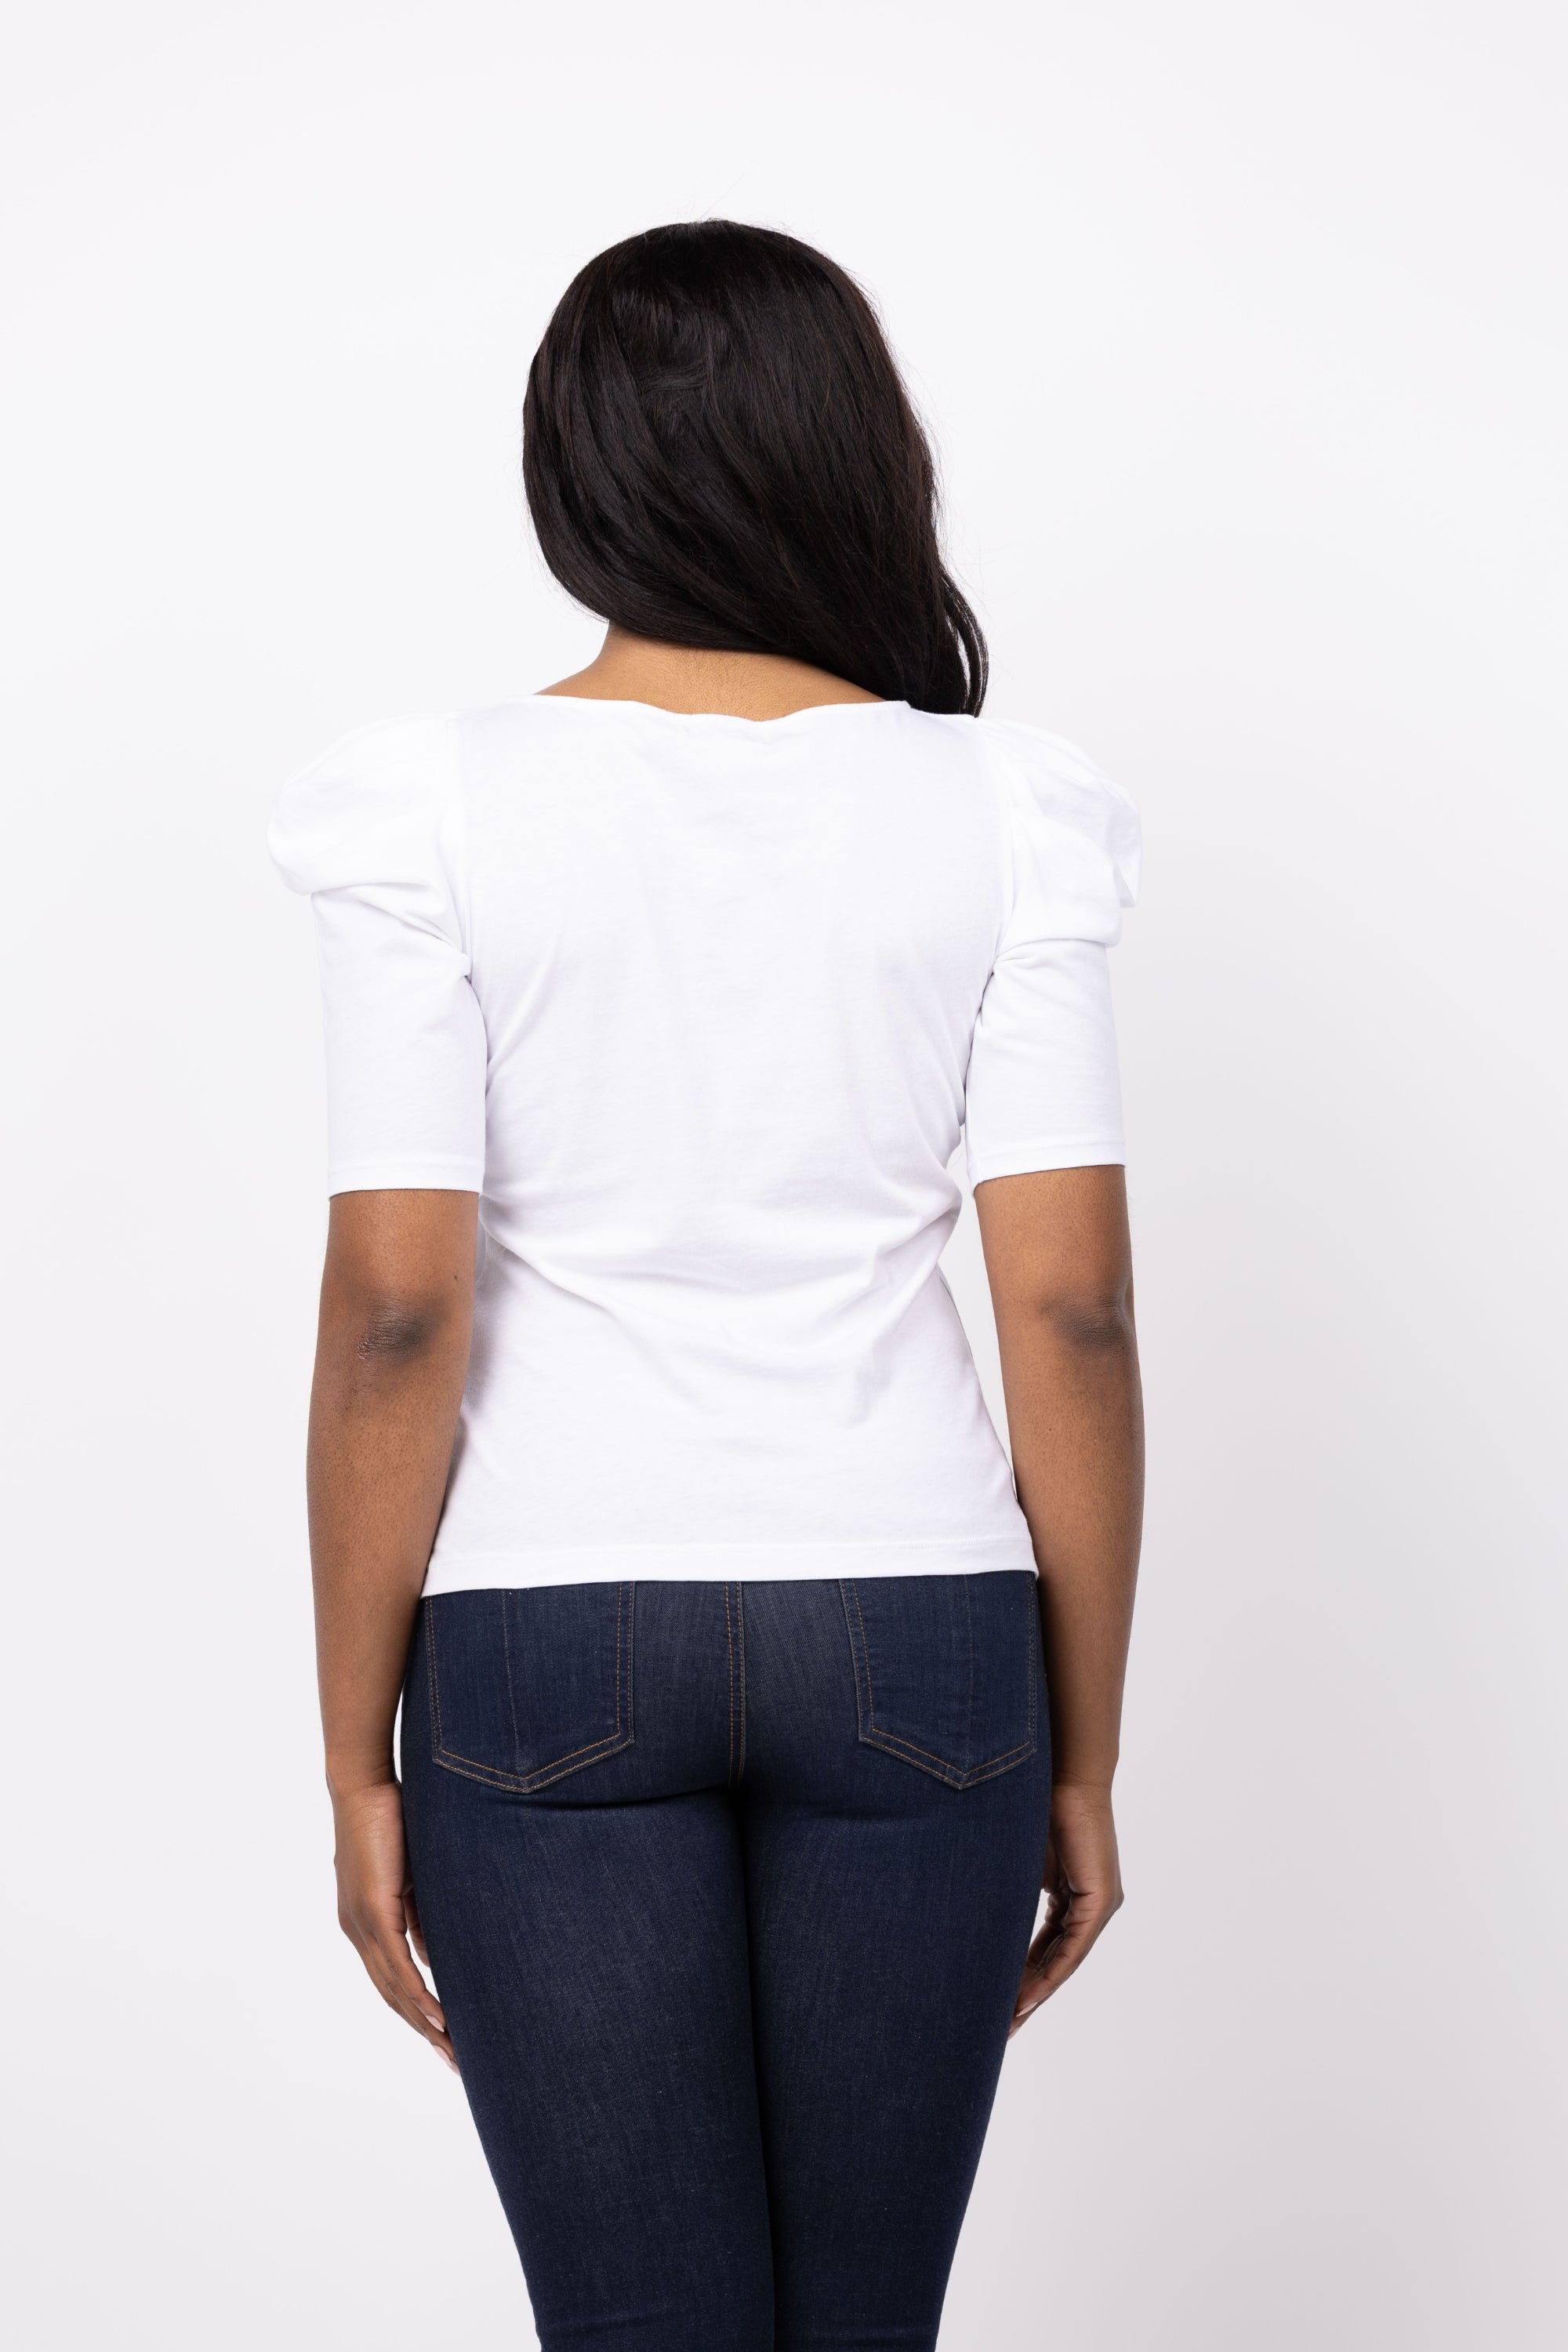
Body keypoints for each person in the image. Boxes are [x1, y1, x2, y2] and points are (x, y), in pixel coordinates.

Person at [270, 218, 1143, 2352]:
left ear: (570, 470)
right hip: (922, 1639)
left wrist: (358, 1758)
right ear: (860, 451)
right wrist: (1085, 1753)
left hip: (540, 1638)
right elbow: (1071, 1311)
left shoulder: (429, 805)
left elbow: (396, 1306)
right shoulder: (1004, 807)